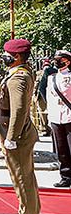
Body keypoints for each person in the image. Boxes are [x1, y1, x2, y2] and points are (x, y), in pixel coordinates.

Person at [0, 39, 40, 214]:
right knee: (25, 175)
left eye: (6, 54)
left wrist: (11, 137)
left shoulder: (18, 78)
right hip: (17, 130)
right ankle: (30, 212)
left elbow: (19, 110)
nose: (3, 56)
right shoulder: (20, 73)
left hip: (18, 134)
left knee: (21, 176)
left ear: (16, 57)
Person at [47, 50, 71, 188]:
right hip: (57, 116)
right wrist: (51, 117)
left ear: (67, 61)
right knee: (61, 150)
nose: (56, 61)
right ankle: (66, 176)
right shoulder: (52, 78)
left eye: (59, 59)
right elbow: (49, 98)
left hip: (69, 115)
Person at [33, 59, 56, 136]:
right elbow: (36, 84)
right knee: (42, 112)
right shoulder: (38, 73)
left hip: (50, 94)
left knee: (50, 111)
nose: (46, 67)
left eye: (47, 65)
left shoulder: (53, 72)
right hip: (40, 95)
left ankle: (52, 128)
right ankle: (44, 128)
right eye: (45, 65)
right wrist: (34, 94)